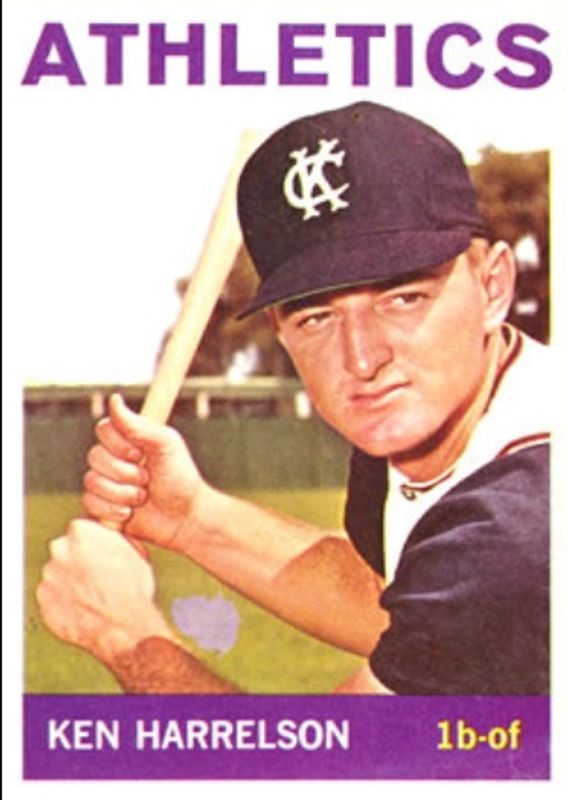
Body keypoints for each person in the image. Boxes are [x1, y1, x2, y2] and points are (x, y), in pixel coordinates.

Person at [37, 101, 550, 695]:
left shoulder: (520, 525)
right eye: (316, 318)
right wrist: (190, 516)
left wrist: (125, 636)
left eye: (403, 298)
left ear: (493, 287)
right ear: (280, 330)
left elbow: (339, 754)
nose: (362, 359)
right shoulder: (438, 420)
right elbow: (405, 607)